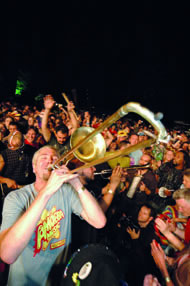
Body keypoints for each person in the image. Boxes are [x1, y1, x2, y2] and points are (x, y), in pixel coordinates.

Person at [0, 145, 106, 286]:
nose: (50, 161)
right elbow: (7, 255)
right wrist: (47, 192)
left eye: (55, 158)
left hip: (58, 280)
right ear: (34, 168)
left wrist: (75, 183)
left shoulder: (67, 192)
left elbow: (99, 221)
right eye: (44, 158)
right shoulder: (17, 197)